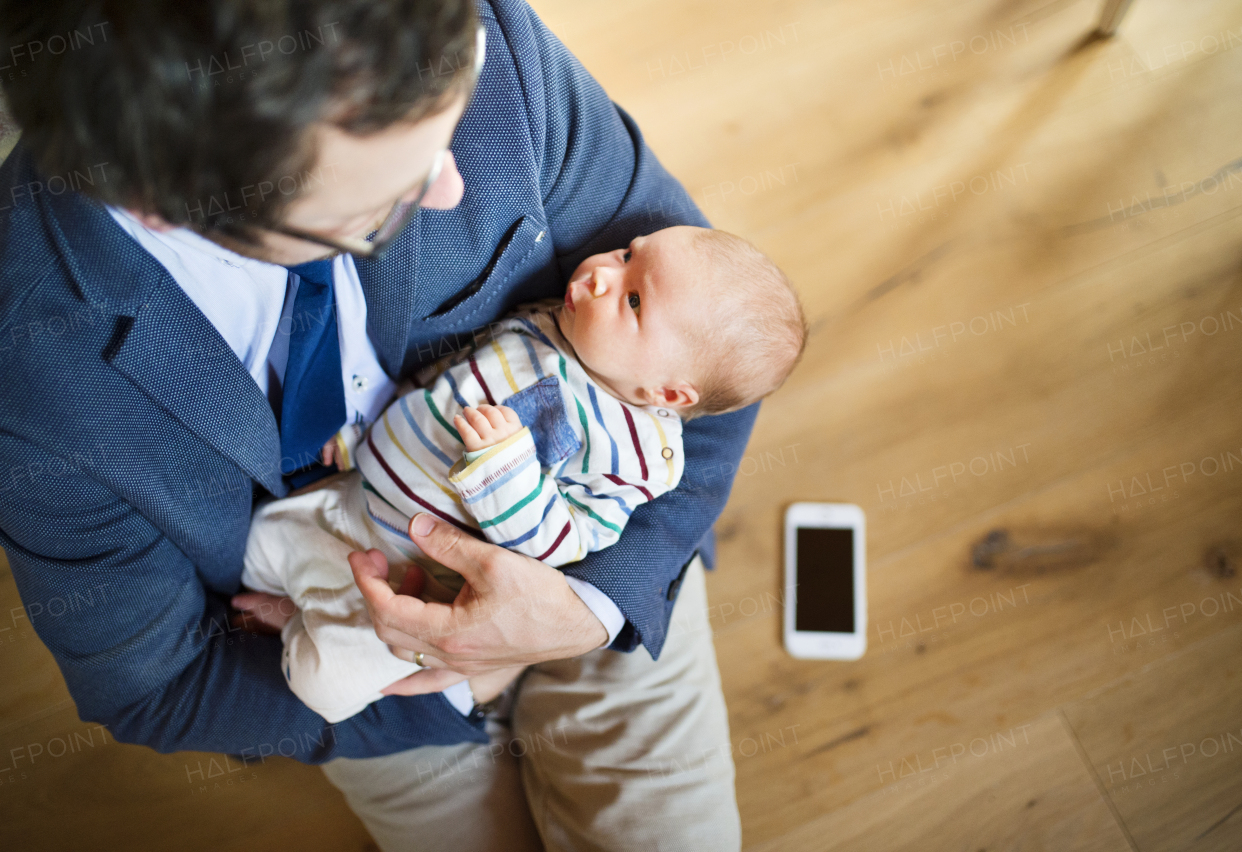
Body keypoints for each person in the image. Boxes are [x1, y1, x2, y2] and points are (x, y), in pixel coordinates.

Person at [0, 1, 761, 848]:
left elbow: (719, 340)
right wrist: (461, 682)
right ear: (158, 203)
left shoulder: (478, 44)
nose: (451, 187)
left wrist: (585, 611)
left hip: (595, 561)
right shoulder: (32, 374)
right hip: (336, 644)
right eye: (385, 205)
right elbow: (157, 685)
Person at [240, 226, 807, 723]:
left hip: (408, 576)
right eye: (627, 254)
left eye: (633, 301)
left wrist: (505, 471)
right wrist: (360, 429)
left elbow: (563, 543)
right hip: (352, 495)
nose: (601, 275)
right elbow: (446, 377)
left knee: (322, 685)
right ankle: (301, 598)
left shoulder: (632, 455)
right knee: (256, 545)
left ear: (667, 392)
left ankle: (299, 623)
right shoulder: (546, 326)